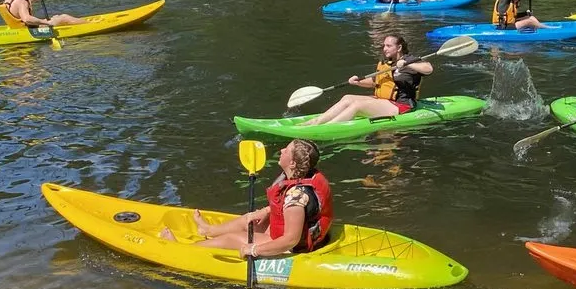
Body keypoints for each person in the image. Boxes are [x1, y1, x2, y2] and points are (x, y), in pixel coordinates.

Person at [165, 139, 333, 257]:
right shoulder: (304, 176)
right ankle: (209, 231)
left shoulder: (296, 197)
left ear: (293, 164)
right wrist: (266, 211)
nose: (282, 151)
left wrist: (253, 249)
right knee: (249, 220)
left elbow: (290, 240)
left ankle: (182, 250)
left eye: (286, 150)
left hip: (292, 249)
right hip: (288, 233)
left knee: (231, 239)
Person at [305, 33, 431, 125]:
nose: (384, 48)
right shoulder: (386, 62)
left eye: (388, 46)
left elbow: (428, 69)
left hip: (402, 105)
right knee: (347, 98)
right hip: (383, 100)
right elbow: (374, 83)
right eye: (384, 45)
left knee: (357, 106)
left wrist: (407, 64)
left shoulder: (409, 60)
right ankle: (316, 122)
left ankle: (328, 127)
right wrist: (357, 82)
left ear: (398, 48)